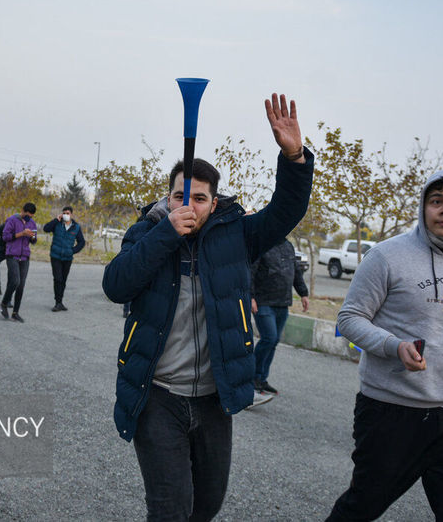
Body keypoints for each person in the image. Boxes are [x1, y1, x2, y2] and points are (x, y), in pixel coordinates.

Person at [103, 93, 313, 521]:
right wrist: (165, 235)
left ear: (214, 203)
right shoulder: (145, 233)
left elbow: (286, 211)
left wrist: (294, 158)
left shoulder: (237, 236)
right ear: (168, 198)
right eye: (181, 196)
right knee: (170, 508)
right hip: (157, 396)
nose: (189, 206)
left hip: (214, 399)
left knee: (207, 504)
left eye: (199, 198)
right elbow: (116, 284)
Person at [328, 169, 443, 521]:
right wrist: (394, 346)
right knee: (361, 508)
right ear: (423, 207)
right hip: (392, 413)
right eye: (436, 201)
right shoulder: (386, 256)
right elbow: (350, 319)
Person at [249, 238, 309, 401]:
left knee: (274, 342)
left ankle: (261, 379)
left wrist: (303, 293)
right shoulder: (262, 243)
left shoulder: (288, 246)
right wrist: (251, 296)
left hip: (282, 302)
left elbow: (296, 271)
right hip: (263, 302)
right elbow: (251, 271)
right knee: (269, 338)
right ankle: (251, 378)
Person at [0, 202, 39, 322]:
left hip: (25, 256)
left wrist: (32, 237)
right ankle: (4, 303)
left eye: (31, 216)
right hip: (12, 255)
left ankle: (15, 312)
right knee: (15, 282)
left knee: (21, 286)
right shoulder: (12, 220)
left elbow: (34, 240)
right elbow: (5, 237)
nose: (29, 217)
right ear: (22, 211)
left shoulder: (32, 223)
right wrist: (21, 233)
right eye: (28, 215)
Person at [43, 205, 86, 311]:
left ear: (71, 214)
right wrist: (55, 220)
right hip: (56, 256)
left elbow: (82, 242)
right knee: (57, 278)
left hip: (67, 258)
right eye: (64, 213)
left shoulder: (76, 227)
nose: (66, 215)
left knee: (63, 280)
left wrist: (73, 251)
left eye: (68, 213)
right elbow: (45, 229)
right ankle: (57, 302)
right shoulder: (57, 224)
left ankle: (60, 302)